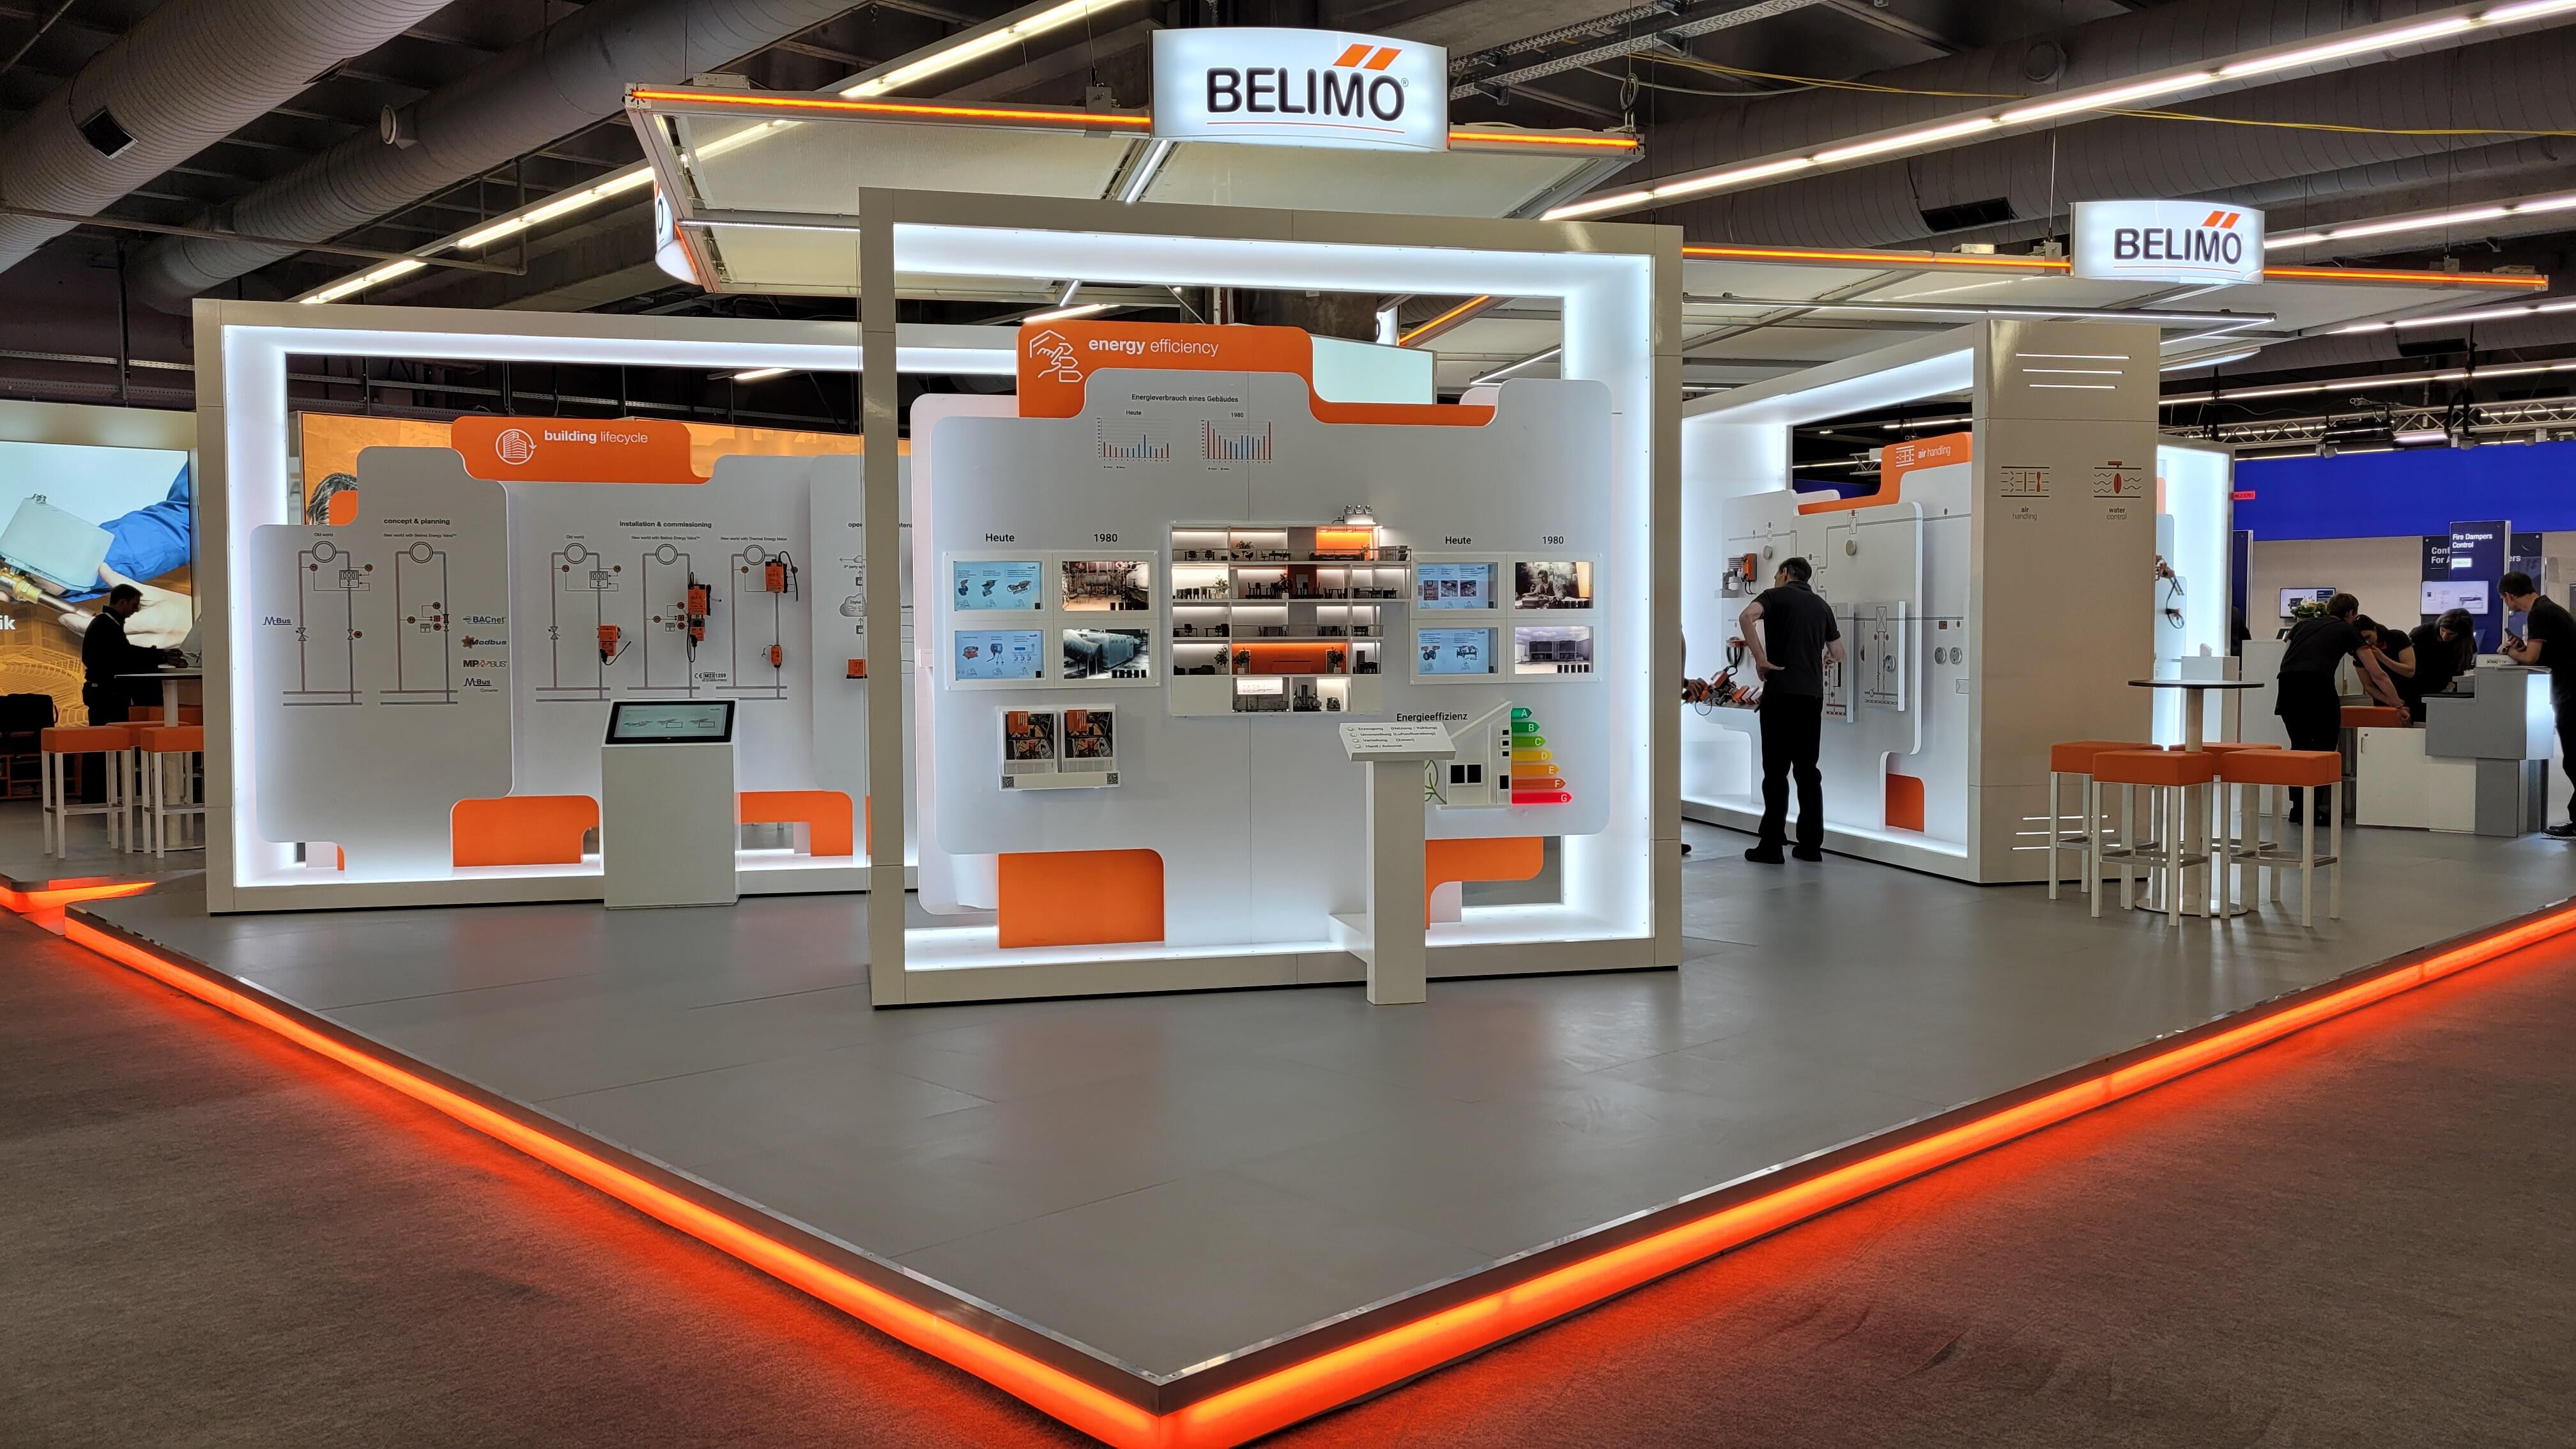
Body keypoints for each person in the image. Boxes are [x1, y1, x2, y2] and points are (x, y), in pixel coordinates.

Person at [1737, 556, 1843, 864]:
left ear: (1785, 573)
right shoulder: (1822, 607)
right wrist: (1824, 658)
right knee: (1808, 772)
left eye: (1776, 574)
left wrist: (1760, 659)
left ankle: (1771, 846)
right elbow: (1838, 652)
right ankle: (1810, 846)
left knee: (1776, 772)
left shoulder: (1774, 597)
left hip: (1781, 695)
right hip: (1811, 697)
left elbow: (1746, 617)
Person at [2274, 594, 2400, 822]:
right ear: (2351, 613)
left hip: (2288, 686)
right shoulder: (2346, 630)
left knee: (2300, 747)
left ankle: (2298, 809)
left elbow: (2287, 656)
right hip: (2317, 687)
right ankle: (2312, 811)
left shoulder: (2302, 625)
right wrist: (2398, 703)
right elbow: (2377, 674)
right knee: (2323, 750)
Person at [2498, 572, 2576, 839]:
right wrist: (2521, 647)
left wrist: (2508, 651)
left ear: (2510, 595)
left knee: (2574, 761)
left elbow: (2531, 658)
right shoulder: (2550, 610)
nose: (2508, 605)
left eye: (2505, 600)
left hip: (2570, 694)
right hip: (2569, 690)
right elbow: (2544, 654)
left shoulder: (2539, 613)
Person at [81, 583, 181, 725]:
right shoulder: (106, 625)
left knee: (110, 733)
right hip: (106, 693)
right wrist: (161, 655)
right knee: (110, 734)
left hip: (104, 691)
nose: (136, 610)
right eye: (134, 605)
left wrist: (160, 654)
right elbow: (124, 655)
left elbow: (124, 653)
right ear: (123, 602)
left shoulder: (106, 623)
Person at [2380, 608, 2476, 723]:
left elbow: (2461, 670)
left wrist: (2450, 687)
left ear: (2461, 634)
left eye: (2451, 634)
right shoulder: (2422, 633)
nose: (2445, 636)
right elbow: (2406, 660)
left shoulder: (2466, 645)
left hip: (2439, 690)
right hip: (2412, 686)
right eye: (2443, 630)